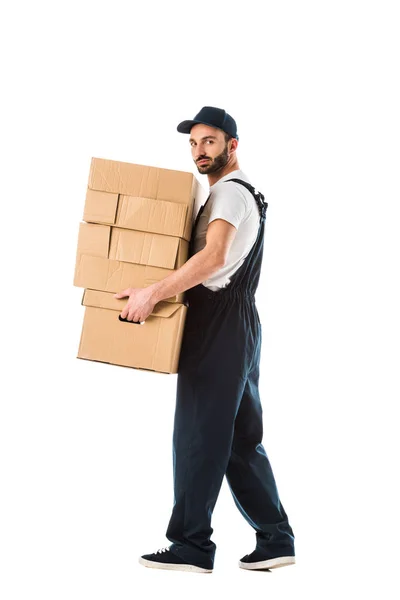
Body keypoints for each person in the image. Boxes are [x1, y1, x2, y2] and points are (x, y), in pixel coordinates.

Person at [115, 106, 296, 573]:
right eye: (194, 143)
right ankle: (276, 539)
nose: (200, 150)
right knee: (239, 439)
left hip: (220, 325)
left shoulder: (231, 195)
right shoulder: (237, 194)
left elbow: (213, 258)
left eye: (210, 141)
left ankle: (192, 545)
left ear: (231, 146)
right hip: (238, 325)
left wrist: (154, 292)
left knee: (199, 434)